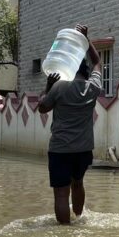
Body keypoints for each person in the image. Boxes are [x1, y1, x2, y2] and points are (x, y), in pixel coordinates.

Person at [39, 25, 102, 224]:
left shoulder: (59, 87)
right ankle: (79, 219)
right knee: (78, 184)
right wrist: (86, 38)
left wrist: (48, 86)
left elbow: (42, 108)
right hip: (83, 149)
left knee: (60, 194)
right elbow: (98, 62)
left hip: (60, 149)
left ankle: (65, 233)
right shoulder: (93, 87)